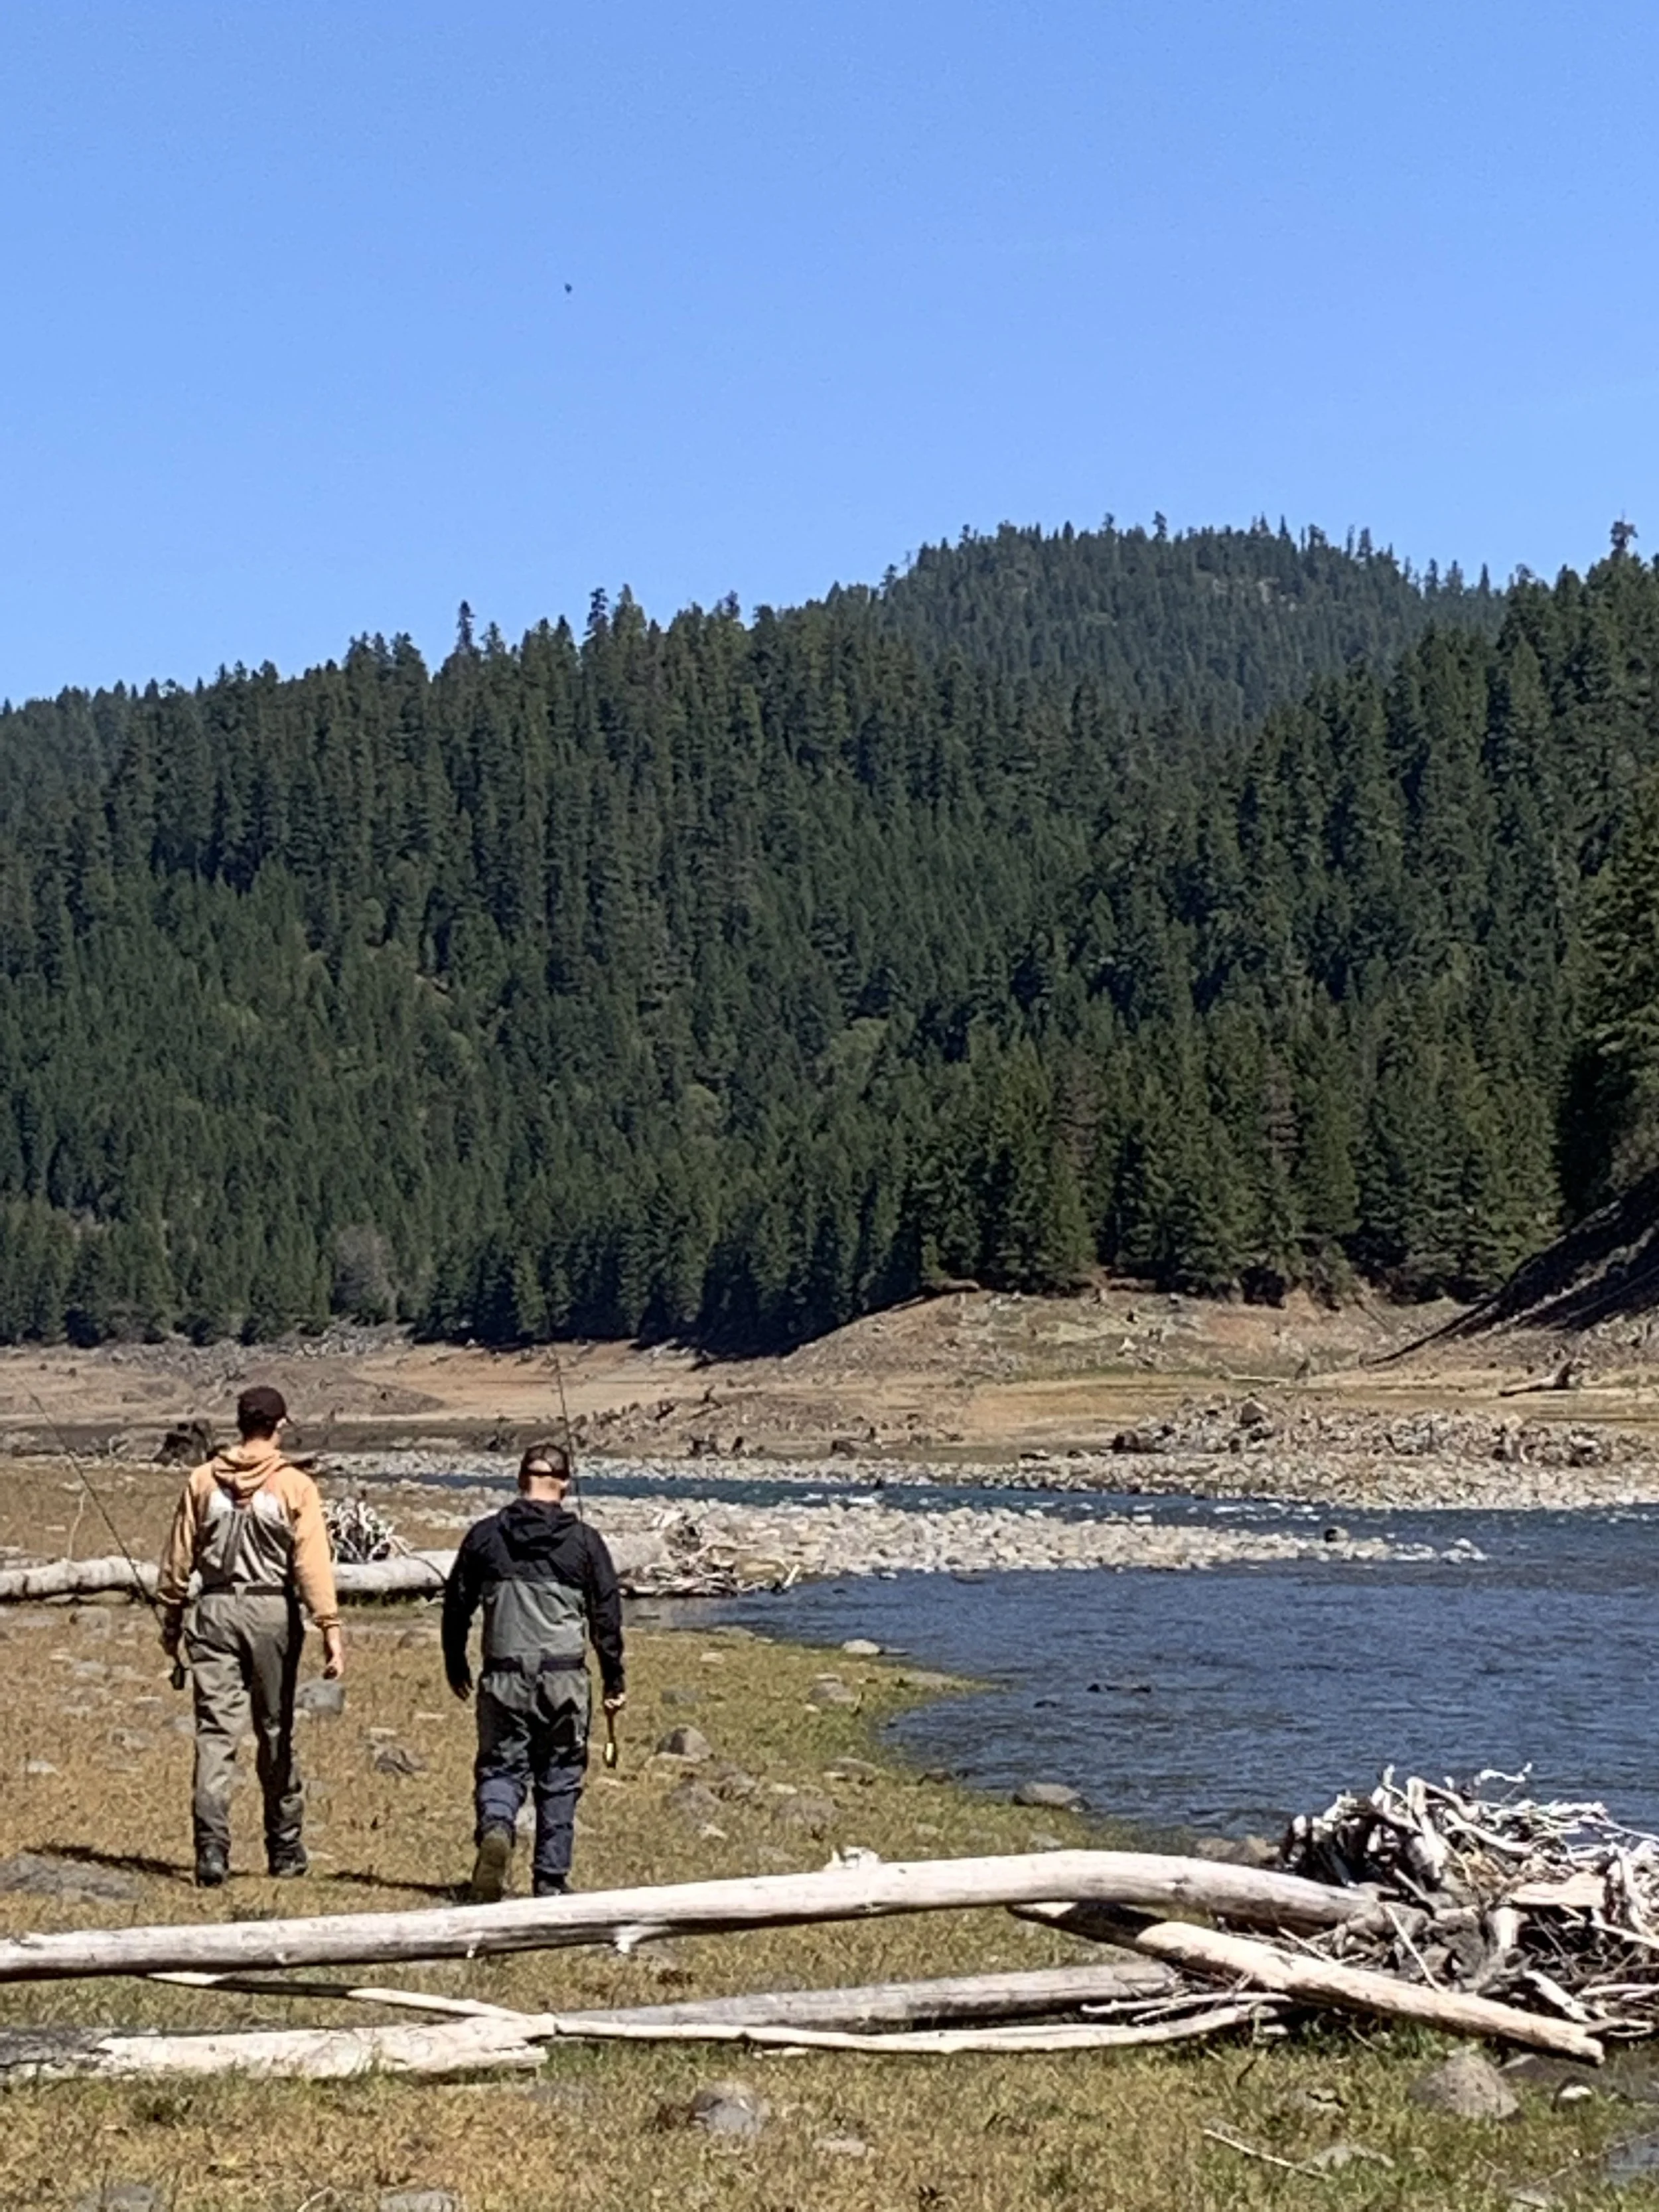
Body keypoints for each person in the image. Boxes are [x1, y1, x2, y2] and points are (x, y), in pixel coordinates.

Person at [156, 1384, 344, 1887]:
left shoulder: (201, 1480)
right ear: (279, 1425)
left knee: (216, 1733)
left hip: (213, 1607)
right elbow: (311, 1563)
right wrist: (330, 1626)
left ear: (239, 1424)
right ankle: (284, 1847)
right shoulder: (295, 1485)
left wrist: (171, 1620)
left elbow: (177, 1560)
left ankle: (211, 1849)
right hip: (272, 1610)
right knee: (276, 1727)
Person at [442, 1441, 626, 1900]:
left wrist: (455, 1659)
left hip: (502, 1675)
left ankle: (498, 1828)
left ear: (520, 1478)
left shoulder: (485, 1535)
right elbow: (607, 1617)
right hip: (564, 1677)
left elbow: (456, 1604)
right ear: (564, 1483)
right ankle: (550, 1880)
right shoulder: (585, 1542)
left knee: (501, 1766)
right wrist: (614, 1679)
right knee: (561, 1773)